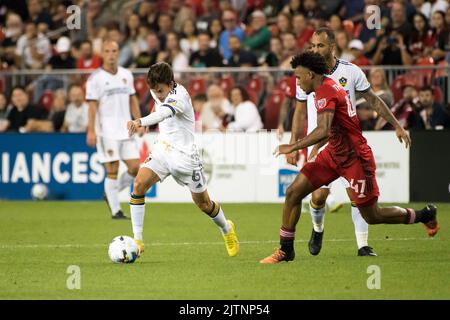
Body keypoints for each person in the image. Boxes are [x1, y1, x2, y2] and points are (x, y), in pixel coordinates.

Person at [260, 51, 439, 264]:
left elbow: (324, 129)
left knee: (372, 216)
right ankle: (286, 250)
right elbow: (330, 130)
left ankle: (424, 215)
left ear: (310, 74)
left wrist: (293, 146)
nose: (296, 83)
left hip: (355, 158)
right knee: (293, 192)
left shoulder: (326, 91)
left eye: (298, 77)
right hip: (333, 153)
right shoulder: (320, 88)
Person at [126, 62, 239, 258]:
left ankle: (226, 229)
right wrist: (150, 118)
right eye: (154, 90)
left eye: (160, 91)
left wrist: (140, 122)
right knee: (139, 184)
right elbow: (157, 106)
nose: (158, 94)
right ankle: (137, 240)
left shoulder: (180, 97)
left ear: (170, 84)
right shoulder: (157, 90)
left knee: (204, 204)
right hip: (163, 149)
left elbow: (163, 113)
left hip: (185, 157)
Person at [85, 40, 145, 219]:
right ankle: (116, 210)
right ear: (102, 54)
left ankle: (110, 193)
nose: (111, 54)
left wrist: (139, 121)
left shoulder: (126, 74)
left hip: (126, 130)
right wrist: (91, 130)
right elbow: (92, 106)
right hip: (106, 131)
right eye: (107, 51)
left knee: (135, 168)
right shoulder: (95, 78)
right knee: (112, 168)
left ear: (118, 53)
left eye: (114, 51)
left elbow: (132, 99)